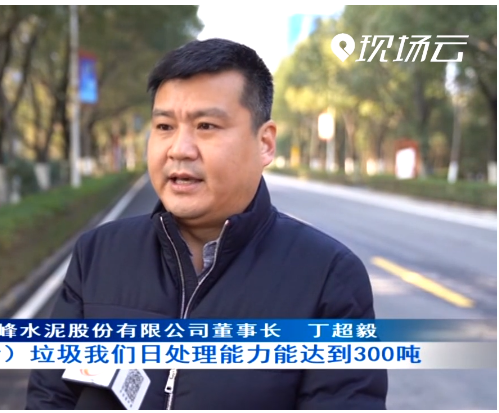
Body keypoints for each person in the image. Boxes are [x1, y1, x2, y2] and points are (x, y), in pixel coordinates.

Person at [26, 38, 388, 410]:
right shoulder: (98, 255)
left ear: (265, 143)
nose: (179, 149)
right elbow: (50, 397)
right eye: (164, 126)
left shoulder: (327, 277)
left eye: (206, 125)